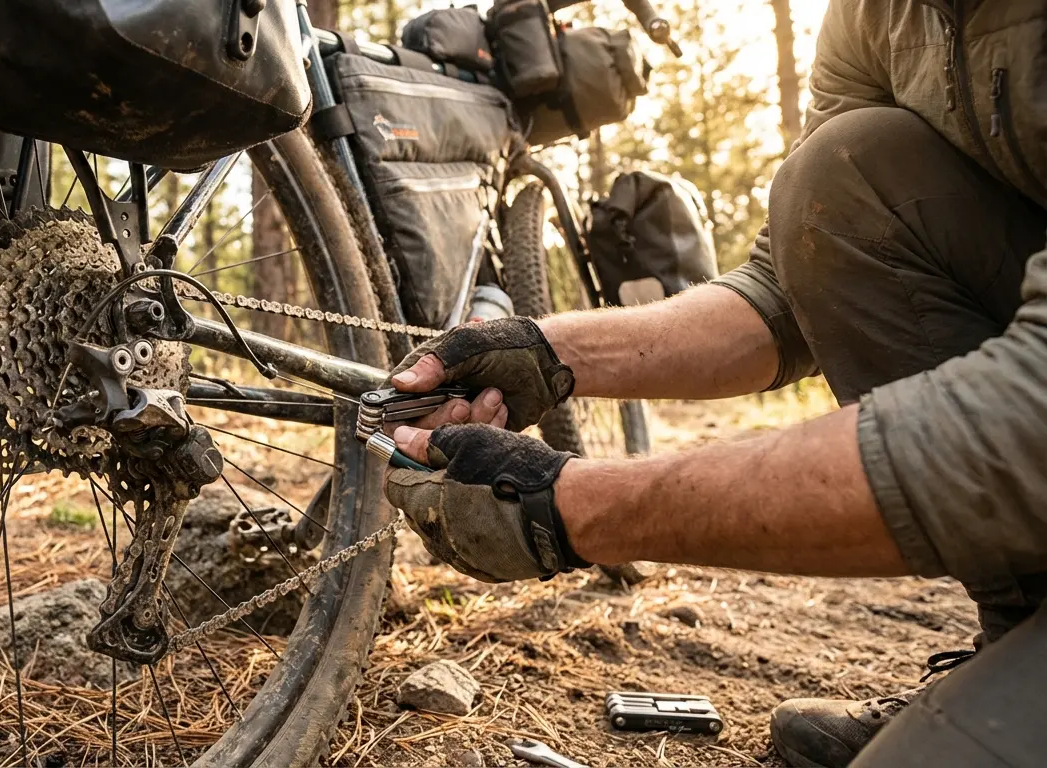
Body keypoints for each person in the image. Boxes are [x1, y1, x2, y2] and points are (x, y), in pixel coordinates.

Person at [381, 1, 1047, 766]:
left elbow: (1028, 415)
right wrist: (547, 351)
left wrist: (575, 507)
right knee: (836, 173)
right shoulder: (873, 16)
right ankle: (1018, 632)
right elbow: (788, 286)